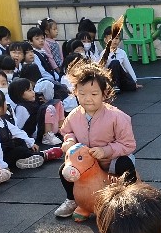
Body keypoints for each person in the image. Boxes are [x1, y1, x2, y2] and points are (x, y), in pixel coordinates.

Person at [54, 63, 137, 219]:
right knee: (64, 169)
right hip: (85, 161)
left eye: (94, 94)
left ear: (104, 94)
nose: (87, 99)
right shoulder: (74, 115)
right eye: (82, 93)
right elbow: (67, 131)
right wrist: (70, 141)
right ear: (75, 93)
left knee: (125, 165)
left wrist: (106, 151)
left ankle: (131, 198)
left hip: (110, 159)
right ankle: (72, 199)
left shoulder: (117, 117)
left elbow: (128, 144)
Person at [0, 89, 46, 171]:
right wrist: (2, 166)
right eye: (5, 102)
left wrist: (30, 142)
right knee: (20, 151)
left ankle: (24, 160)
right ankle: (39, 156)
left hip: (6, 149)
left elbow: (16, 131)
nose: (7, 104)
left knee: (20, 141)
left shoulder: (1, 120)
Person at [99, 22, 142, 93]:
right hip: (110, 77)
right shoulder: (104, 53)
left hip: (121, 77)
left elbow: (128, 67)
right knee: (115, 62)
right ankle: (114, 86)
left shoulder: (122, 52)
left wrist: (134, 81)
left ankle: (119, 86)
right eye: (111, 38)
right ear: (106, 40)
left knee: (132, 86)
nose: (114, 41)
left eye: (117, 38)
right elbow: (101, 69)